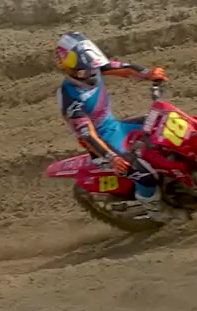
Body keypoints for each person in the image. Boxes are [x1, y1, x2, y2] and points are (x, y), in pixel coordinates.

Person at [55, 31, 173, 219]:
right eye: (84, 70)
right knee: (145, 176)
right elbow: (88, 134)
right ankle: (158, 212)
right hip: (102, 144)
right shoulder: (71, 98)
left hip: (116, 127)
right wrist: (112, 158)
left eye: (91, 68)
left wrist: (147, 73)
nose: (91, 73)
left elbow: (123, 68)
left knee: (163, 123)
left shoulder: (92, 67)